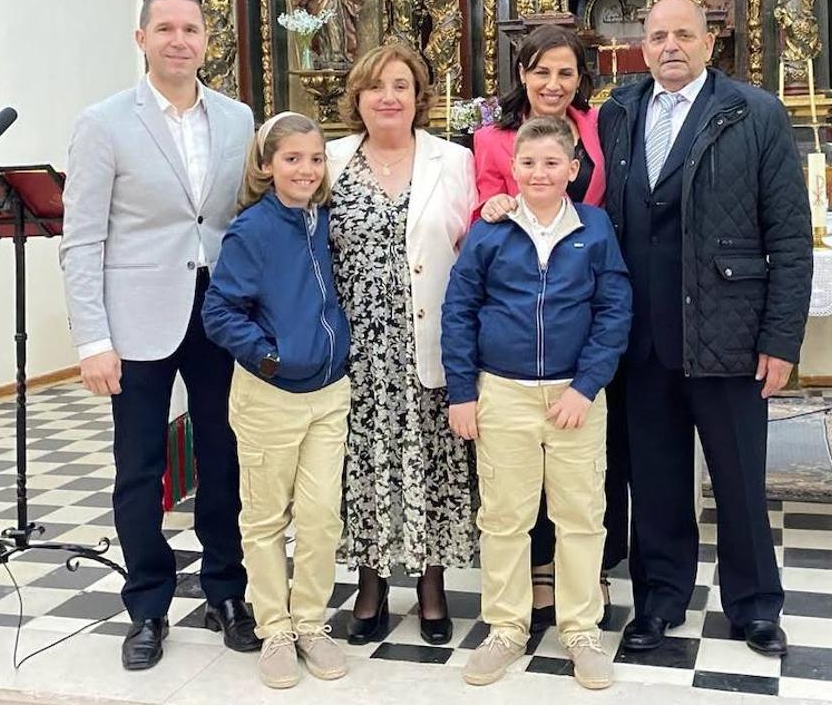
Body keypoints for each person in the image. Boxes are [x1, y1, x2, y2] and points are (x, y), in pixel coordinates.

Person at [599, 0, 811, 657]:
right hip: (646, 340)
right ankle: (659, 599)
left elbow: (790, 234)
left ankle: (753, 605)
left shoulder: (755, 113)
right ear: (643, 44)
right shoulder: (620, 112)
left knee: (740, 480)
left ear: (708, 42)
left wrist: (781, 339)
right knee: (655, 481)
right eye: (657, 35)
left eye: (683, 35)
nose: (669, 46)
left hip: (729, 333)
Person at [59, 0, 259, 670]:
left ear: (207, 41)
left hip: (219, 312)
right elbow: (81, 239)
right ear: (141, 39)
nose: (180, 40)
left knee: (225, 459)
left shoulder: (238, 119)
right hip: (137, 318)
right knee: (140, 467)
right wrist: (93, 340)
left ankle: (226, 591)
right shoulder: (104, 122)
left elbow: (239, 218)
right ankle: (147, 604)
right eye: (165, 28)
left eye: (191, 29)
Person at [443, 116, 631, 690]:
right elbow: (460, 310)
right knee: (504, 518)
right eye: (528, 163)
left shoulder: (594, 228)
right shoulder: (491, 230)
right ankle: (505, 626)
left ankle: (581, 630)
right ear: (513, 169)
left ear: (573, 170)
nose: (540, 173)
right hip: (504, 394)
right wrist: (462, 392)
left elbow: (614, 311)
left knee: (580, 516)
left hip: (574, 396)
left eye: (553, 163)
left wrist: (586, 385)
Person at [326, 43, 479, 646]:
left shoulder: (454, 161)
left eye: (401, 86)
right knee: (363, 466)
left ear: (419, 98)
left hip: (431, 340)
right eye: (375, 87)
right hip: (356, 346)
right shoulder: (330, 160)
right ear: (357, 99)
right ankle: (370, 584)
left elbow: (473, 254)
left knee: (433, 464)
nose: (388, 97)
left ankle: (432, 586)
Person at [475, 24, 625, 631]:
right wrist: (490, 206)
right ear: (523, 74)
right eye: (541, 71)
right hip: (516, 307)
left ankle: (586, 577)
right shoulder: (491, 139)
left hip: (582, 289)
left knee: (580, 469)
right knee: (515, 476)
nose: (553, 84)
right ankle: (535, 576)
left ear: (580, 77)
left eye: (565, 72)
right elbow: (482, 211)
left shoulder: (600, 127)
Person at [201, 112, 351, 689]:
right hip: (270, 396)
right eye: (292, 159)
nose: (306, 169)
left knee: (320, 517)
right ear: (267, 165)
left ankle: (312, 621)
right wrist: (269, 357)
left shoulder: (322, 221)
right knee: (266, 517)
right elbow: (219, 312)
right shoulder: (253, 230)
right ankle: (275, 629)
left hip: (329, 392)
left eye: (316, 159)